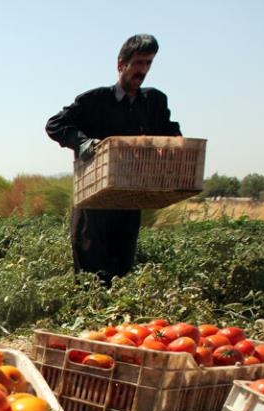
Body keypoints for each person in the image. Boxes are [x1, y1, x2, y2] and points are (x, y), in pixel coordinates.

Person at [45, 34, 181, 285]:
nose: (143, 70)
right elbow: (55, 125)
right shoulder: (94, 101)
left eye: (148, 64)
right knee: (91, 278)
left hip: (128, 200)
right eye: (138, 63)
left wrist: (173, 142)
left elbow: (168, 129)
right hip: (93, 203)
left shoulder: (153, 102)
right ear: (121, 64)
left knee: (122, 272)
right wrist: (83, 142)